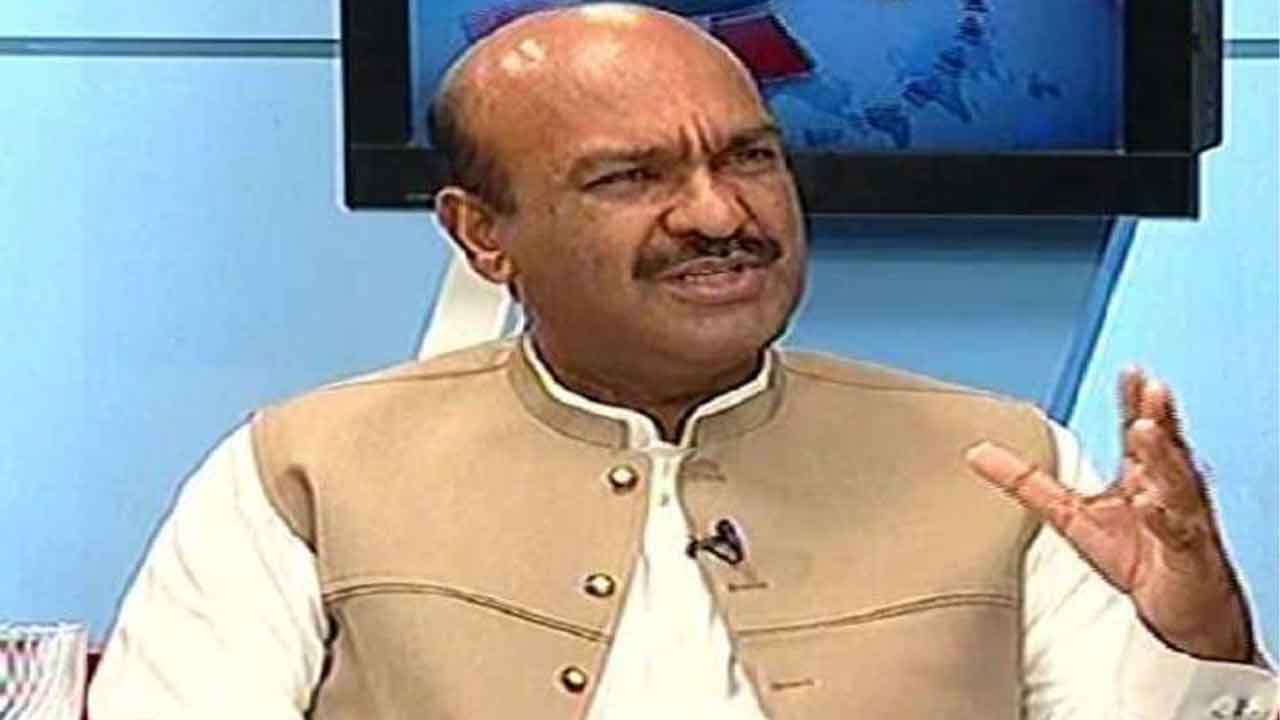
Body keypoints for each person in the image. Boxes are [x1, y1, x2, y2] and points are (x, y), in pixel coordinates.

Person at [89, 3, 1277, 718]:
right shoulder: (301, 473)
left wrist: (1200, 639)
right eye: (629, 177)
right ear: (481, 234)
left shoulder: (1003, 464)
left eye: (748, 158)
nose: (717, 214)